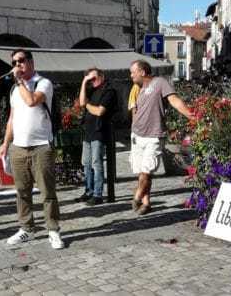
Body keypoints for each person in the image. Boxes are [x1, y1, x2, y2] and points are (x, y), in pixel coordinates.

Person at [0, 49, 64, 249]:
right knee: (22, 191)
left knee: (47, 192)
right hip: (19, 147)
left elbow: (32, 101)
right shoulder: (13, 90)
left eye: (21, 61)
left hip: (41, 145)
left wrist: (19, 82)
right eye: (14, 62)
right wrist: (5, 143)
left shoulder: (43, 83)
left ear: (31, 62)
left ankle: (53, 230)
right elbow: (12, 118)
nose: (17, 65)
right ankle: (26, 228)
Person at [129, 60, 193, 215]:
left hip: (154, 136)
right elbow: (135, 111)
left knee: (146, 171)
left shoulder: (159, 82)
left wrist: (192, 115)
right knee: (141, 173)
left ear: (143, 72)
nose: (131, 75)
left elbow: (174, 100)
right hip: (137, 136)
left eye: (133, 72)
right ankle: (146, 203)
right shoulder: (139, 88)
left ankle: (136, 198)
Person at [75, 68, 117, 206]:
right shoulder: (91, 90)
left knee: (96, 163)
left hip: (99, 131)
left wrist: (87, 105)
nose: (91, 81)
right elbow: (81, 103)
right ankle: (89, 191)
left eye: (93, 78)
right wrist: (84, 81)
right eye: (90, 79)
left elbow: (99, 111)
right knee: (86, 164)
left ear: (102, 76)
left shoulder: (109, 91)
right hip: (88, 131)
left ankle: (98, 194)